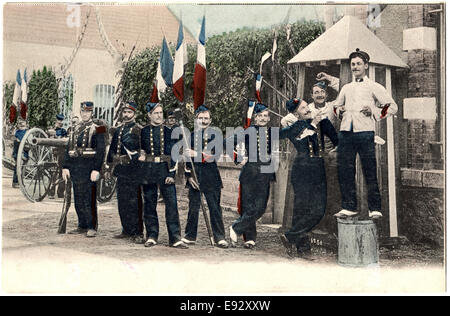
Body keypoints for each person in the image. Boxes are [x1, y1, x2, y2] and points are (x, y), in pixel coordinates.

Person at [333, 49, 398, 220]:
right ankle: (349, 207)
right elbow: (336, 106)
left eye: (358, 64)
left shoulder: (374, 86)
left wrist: (374, 110)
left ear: (366, 66)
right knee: (345, 170)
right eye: (353, 64)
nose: (355, 67)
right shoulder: (346, 88)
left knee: (369, 170)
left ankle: (374, 208)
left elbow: (392, 106)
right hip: (346, 132)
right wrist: (339, 110)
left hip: (365, 133)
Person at [229, 103, 298, 249]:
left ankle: (236, 227)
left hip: (265, 174)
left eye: (266, 116)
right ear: (255, 118)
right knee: (249, 206)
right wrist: (239, 159)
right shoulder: (248, 131)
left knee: (260, 207)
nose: (263, 118)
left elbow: (286, 132)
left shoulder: (271, 132)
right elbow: (229, 142)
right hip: (249, 173)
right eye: (260, 115)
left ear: (268, 118)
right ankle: (250, 238)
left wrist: (298, 122)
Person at [279, 98, 338, 259]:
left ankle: (290, 236)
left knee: (319, 209)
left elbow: (336, 139)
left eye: (306, 106)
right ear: (296, 112)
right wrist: (312, 124)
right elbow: (298, 139)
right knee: (301, 208)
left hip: (318, 168)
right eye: (303, 108)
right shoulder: (296, 126)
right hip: (302, 170)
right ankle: (303, 249)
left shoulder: (321, 122)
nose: (307, 109)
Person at [139, 102, 187, 249]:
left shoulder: (169, 131)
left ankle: (175, 237)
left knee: (171, 205)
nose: (159, 116)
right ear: (149, 115)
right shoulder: (144, 131)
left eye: (161, 113)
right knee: (149, 204)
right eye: (156, 113)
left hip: (165, 171)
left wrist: (172, 173)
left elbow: (174, 154)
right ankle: (152, 235)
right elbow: (141, 151)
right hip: (149, 171)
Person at [182, 105, 229, 248]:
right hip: (195, 176)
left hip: (211, 176)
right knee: (193, 207)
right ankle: (190, 236)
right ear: (196, 119)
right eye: (200, 118)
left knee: (214, 207)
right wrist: (189, 176)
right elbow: (186, 159)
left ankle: (219, 237)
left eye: (206, 118)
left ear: (210, 120)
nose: (203, 121)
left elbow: (215, 155)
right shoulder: (189, 136)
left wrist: (197, 154)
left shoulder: (216, 135)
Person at [62, 101, 106, 238]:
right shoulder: (74, 128)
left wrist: (96, 169)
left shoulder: (99, 128)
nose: (85, 114)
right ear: (80, 113)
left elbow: (101, 150)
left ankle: (92, 226)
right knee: (78, 197)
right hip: (76, 168)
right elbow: (68, 149)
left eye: (88, 111)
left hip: (89, 168)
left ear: (92, 113)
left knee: (89, 198)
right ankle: (82, 225)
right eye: (83, 111)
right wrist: (65, 167)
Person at [106, 101, 144, 244]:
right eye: (124, 112)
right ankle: (126, 229)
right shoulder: (118, 129)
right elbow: (112, 150)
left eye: (129, 112)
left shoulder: (139, 130)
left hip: (134, 170)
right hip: (121, 170)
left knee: (135, 201)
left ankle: (138, 232)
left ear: (134, 114)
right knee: (122, 201)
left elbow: (142, 150)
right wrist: (109, 166)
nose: (126, 115)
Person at [48, 114, 68, 199]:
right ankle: (51, 192)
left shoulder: (63, 131)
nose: (59, 122)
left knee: (61, 172)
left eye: (60, 121)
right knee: (52, 174)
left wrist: (57, 136)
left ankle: (60, 192)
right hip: (50, 152)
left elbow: (65, 140)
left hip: (60, 152)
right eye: (58, 121)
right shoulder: (50, 129)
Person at [12, 119, 28, 188]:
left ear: (26, 126)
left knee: (23, 169)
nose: (22, 127)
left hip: (24, 154)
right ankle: (15, 182)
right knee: (17, 168)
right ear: (19, 126)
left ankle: (21, 182)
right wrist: (15, 155)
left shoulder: (27, 133)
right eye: (21, 125)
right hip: (18, 154)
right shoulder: (17, 133)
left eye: (23, 125)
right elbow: (16, 146)